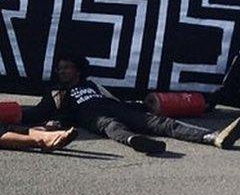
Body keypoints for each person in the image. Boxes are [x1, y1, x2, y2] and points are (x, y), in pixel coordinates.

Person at [22, 54, 240, 154]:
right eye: (60, 69)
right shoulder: (55, 91)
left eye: (66, 67)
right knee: (111, 127)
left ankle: (212, 137)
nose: (62, 71)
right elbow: (39, 112)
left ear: (77, 70)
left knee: (161, 123)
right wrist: (18, 116)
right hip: (88, 115)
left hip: (112, 106)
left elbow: (117, 101)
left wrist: (143, 105)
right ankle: (135, 141)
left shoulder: (93, 85)